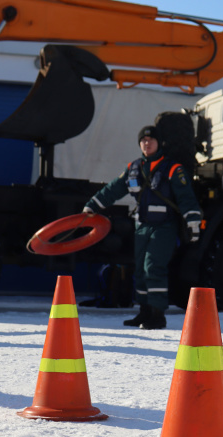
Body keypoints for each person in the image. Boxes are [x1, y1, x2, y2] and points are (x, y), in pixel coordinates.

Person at [83, 125, 202, 330]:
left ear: (159, 143)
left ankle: (157, 315)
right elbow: (113, 189)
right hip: (142, 227)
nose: (147, 144)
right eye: (143, 141)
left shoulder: (173, 169)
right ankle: (144, 311)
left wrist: (193, 222)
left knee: (153, 267)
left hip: (164, 227)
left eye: (151, 140)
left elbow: (186, 198)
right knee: (139, 270)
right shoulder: (134, 168)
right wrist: (92, 205)